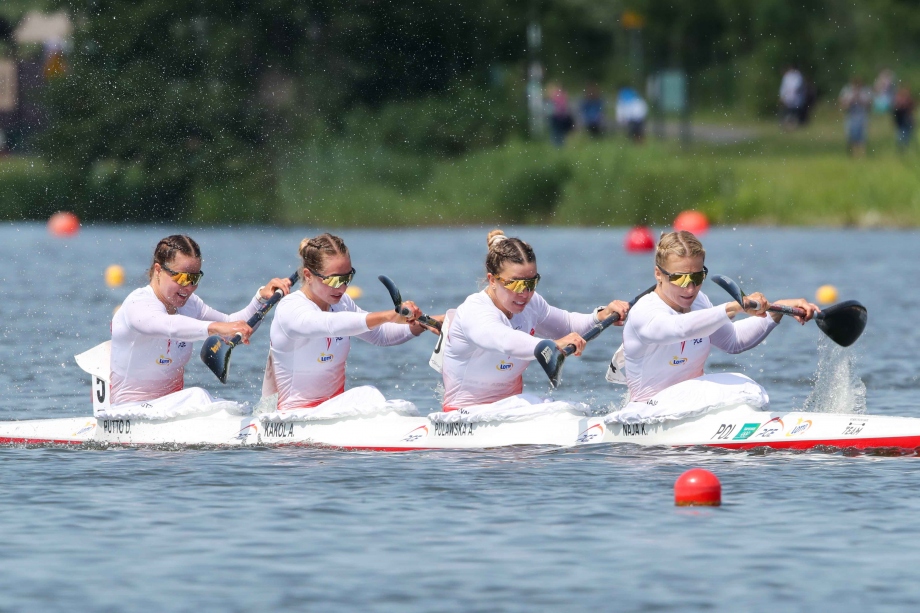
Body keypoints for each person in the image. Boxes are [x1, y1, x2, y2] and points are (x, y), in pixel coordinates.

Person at [617, 231, 818, 415]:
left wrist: (777, 310)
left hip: (692, 407)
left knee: (748, 389)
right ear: (658, 274)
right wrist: (735, 307)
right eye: (679, 279)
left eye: (697, 276)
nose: (690, 288)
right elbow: (679, 328)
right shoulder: (644, 311)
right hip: (647, 413)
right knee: (746, 391)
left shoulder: (700, 301)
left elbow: (733, 340)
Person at [440, 229, 630, 411]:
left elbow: (568, 325)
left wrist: (601, 315)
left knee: (567, 409)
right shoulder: (475, 311)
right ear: (492, 280)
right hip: (463, 415)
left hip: (509, 409)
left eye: (532, 283)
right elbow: (505, 340)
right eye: (516, 284)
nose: (525, 293)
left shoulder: (531, 304)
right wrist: (551, 345)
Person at [111, 234, 292, 407]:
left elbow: (233, 323)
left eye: (194, 278)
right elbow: (169, 325)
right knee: (198, 396)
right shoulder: (138, 304)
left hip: (170, 409)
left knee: (226, 405)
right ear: (158, 270)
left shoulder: (190, 305)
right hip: (127, 410)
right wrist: (216, 328)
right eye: (182, 278)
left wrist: (261, 298)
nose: (189, 288)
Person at [266, 233, 432, 411]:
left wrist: (426, 324)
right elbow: (330, 324)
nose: (343, 287)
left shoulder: (342, 302)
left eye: (347, 278)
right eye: (335, 280)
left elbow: (380, 335)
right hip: (292, 417)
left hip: (330, 412)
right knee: (368, 394)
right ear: (308, 275)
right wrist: (388, 315)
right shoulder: (290, 308)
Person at [839, 77, 873, 156]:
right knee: (851, 136)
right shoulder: (847, 91)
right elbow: (843, 105)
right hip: (851, 117)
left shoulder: (865, 91)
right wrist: (851, 100)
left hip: (862, 117)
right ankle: (853, 154)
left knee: (862, 137)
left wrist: (861, 100)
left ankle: (861, 155)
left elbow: (870, 105)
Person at [546, 82, 574, 147]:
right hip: (558, 117)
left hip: (559, 117)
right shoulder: (561, 95)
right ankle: (558, 145)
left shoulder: (558, 95)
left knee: (558, 132)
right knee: (557, 132)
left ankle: (558, 145)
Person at [893, 85, 914, 153]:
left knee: (905, 137)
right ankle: (902, 150)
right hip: (900, 123)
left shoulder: (907, 103)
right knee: (901, 137)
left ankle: (904, 150)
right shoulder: (898, 105)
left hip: (905, 123)